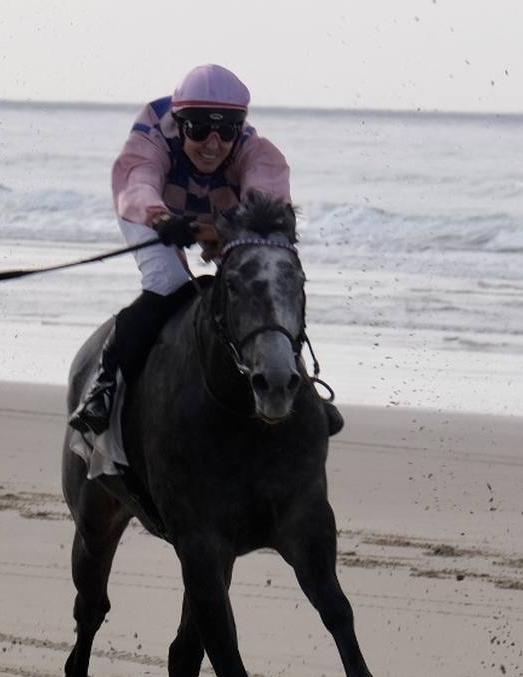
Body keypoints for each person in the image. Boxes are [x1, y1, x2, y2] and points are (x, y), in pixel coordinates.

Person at [68, 63, 344, 438]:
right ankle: (104, 387)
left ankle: (300, 385)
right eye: (198, 130)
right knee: (169, 282)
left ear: (239, 127)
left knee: (262, 284)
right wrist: (163, 219)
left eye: (226, 131)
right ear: (180, 124)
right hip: (150, 212)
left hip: (226, 216)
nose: (213, 145)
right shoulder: (150, 135)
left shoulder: (256, 151)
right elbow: (138, 185)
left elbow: (269, 200)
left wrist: (223, 232)